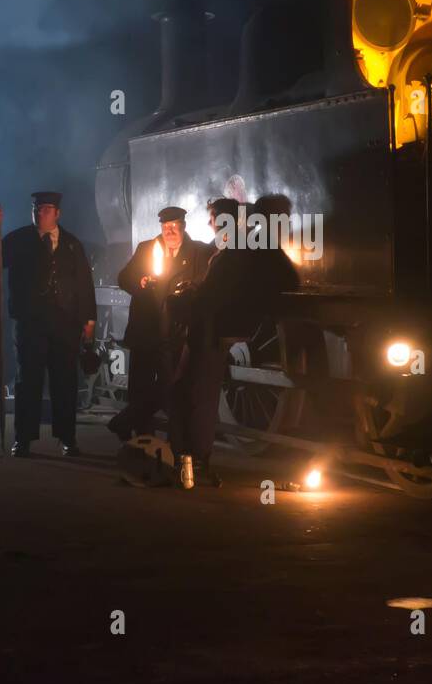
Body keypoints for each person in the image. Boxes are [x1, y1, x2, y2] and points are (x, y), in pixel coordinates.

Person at [168, 196, 300, 486]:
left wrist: (191, 295)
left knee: (197, 396)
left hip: (210, 331)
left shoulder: (236, 251)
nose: (209, 222)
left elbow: (217, 295)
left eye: (213, 217)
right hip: (208, 330)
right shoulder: (234, 248)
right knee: (194, 394)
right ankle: (191, 457)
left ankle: (192, 459)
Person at [0, 192, 96, 458]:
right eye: (36, 209)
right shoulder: (20, 239)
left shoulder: (71, 244)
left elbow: (84, 284)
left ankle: (68, 438)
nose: (40, 214)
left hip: (65, 324)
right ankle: (23, 439)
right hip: (31, 323)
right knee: (28, 382)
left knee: (65, 383)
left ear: (57, 213)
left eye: (46, 209)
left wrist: (88, 319)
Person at [109, 205, 211, 440]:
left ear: (183, 227)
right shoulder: (147, 249)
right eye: (166, 227)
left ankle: (171, 442)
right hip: (146, 331)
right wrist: (141, 281)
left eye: (174, 226)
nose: (170, 231)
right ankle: (140, 439)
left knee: (171, 389)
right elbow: (124, 278)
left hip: (175, 334)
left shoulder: (197, 253)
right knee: (140, 386)